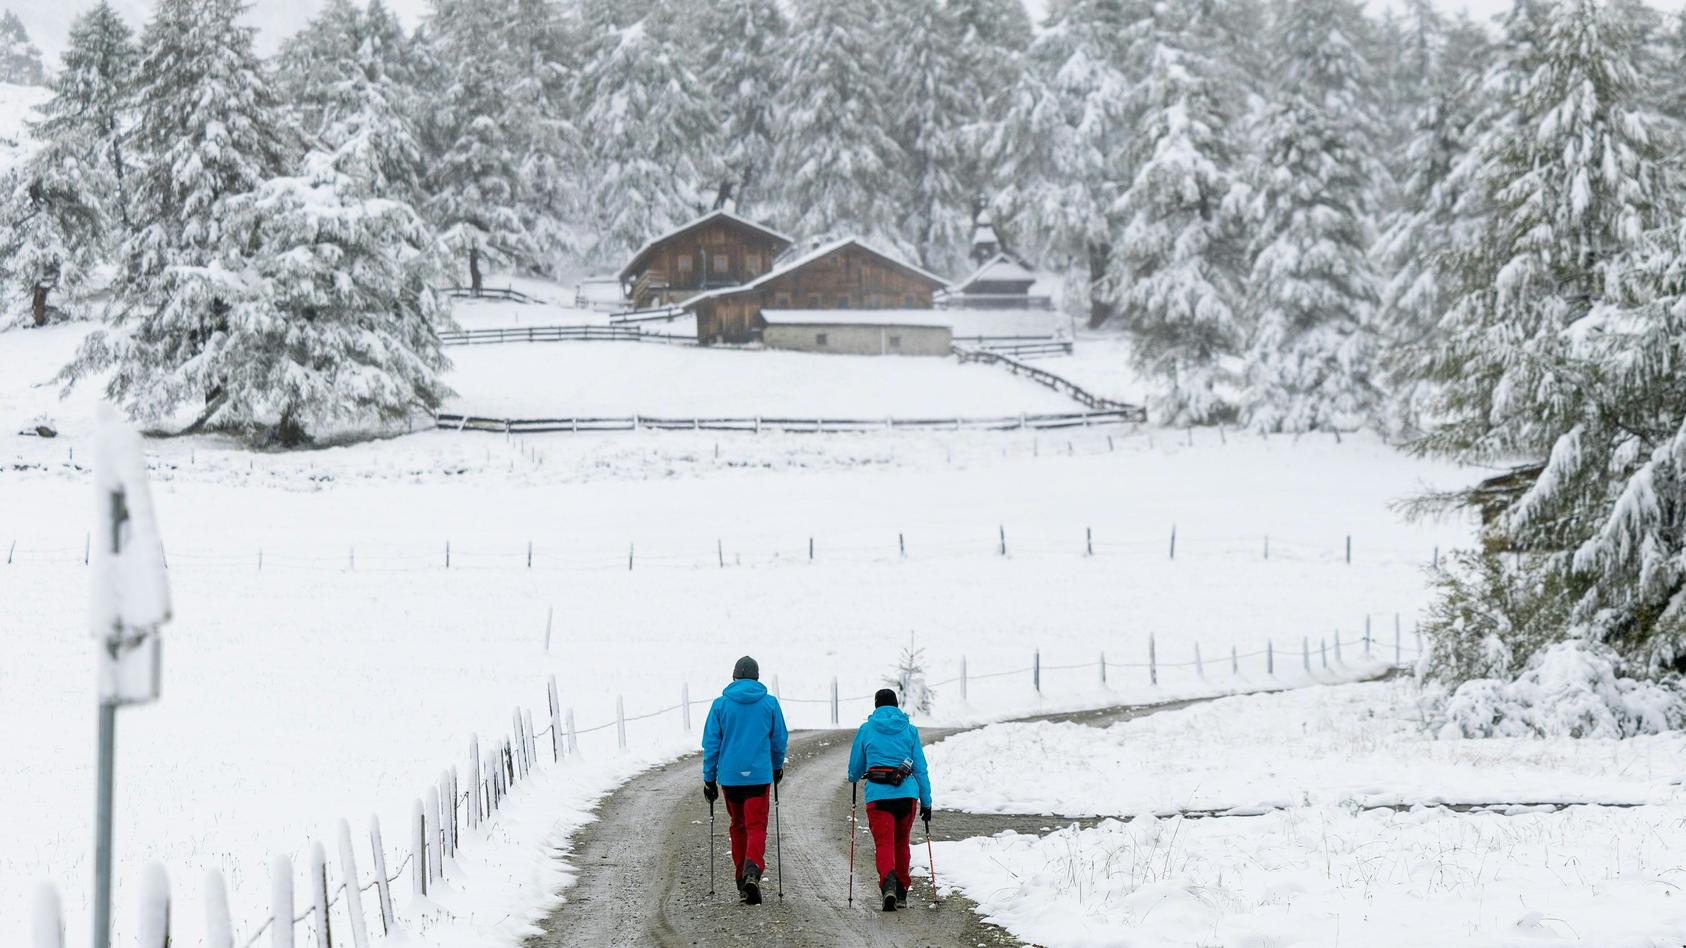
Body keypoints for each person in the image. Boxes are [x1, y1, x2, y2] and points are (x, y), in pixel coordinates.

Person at [701, 655, 789, 905]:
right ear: (757, 677)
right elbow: (779, 739)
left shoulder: (720, 705)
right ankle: (753, 870)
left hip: (730, 778)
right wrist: (776, 766)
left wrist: (709, 779)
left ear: (734, 677)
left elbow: (711, 744)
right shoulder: (770, 704)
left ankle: (742, 881)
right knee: (756, 825)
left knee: (738, 826)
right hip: (759, 777)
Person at [846, 688, 933, 912]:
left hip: (878, 796)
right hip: (906, 796)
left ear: (876, 706)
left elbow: (855, 768)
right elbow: (920, 769)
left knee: (884, 844)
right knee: (901, 843)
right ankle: (902, 890)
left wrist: (854, 776)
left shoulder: (866, 729)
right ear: (896, 706)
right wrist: (927, 801)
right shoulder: (910, 731)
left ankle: (888, 885)